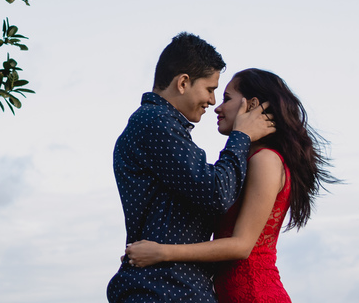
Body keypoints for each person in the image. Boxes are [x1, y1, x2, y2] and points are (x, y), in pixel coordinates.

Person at [124, 69, 337, 302]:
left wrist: (162, 252)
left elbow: (241, 246)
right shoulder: (246, 161)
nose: (217, 106)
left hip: (254, 293)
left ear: (252, 104)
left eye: (227, 98)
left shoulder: (265, 160)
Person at [107, 33, 276, 303]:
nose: (212, 101)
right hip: (163, 289)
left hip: (171, 286)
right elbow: (216, 193)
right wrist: (241, 137)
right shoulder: (155, 123)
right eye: (209, 89)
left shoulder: (163, 125)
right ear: (183, 82)